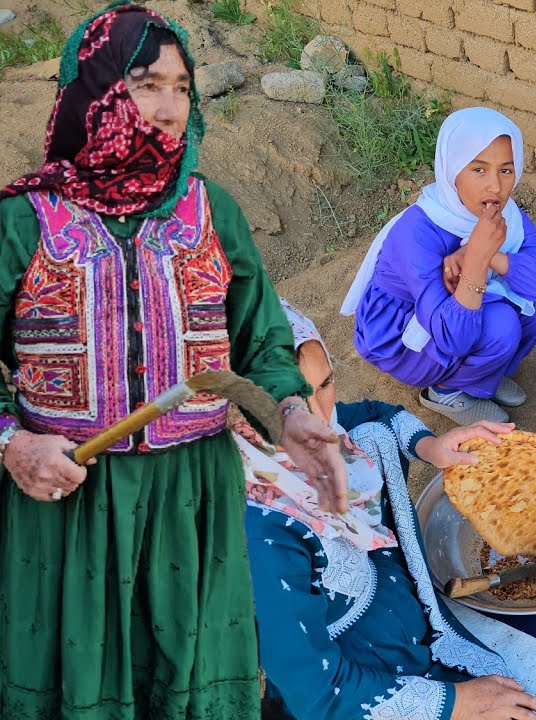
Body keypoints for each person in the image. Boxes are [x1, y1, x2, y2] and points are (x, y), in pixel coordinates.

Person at [0, 5, 346, 717]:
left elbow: (261, 337)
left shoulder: (212, 211)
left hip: (193, 496)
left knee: (188, 677)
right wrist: (13, 442)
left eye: (182, 87)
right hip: (69, 496)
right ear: (95, 89)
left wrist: (290, 412)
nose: (166, 107)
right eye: (144, 83)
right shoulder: (23, 221)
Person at [240, 299, 536, 720]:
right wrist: (459, 703)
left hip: (386, 602)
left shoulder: (323, 429)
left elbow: (371, 417)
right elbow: (314, 691)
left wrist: (432, 448)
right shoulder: (258, 532)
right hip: (345, 669)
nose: (317, 417)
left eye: (324, 384)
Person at [342, 107, 536, 426]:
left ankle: (484, 375)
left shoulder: (510, 217)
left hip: (458, 311)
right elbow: (452, 339)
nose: (495, 187)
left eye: (505, 170)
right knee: (502, 325)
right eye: (478, 170)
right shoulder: (417, 232)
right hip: (403, 332)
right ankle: (445, 391)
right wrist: (475, 260)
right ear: (451, 171)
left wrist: (491, 256)